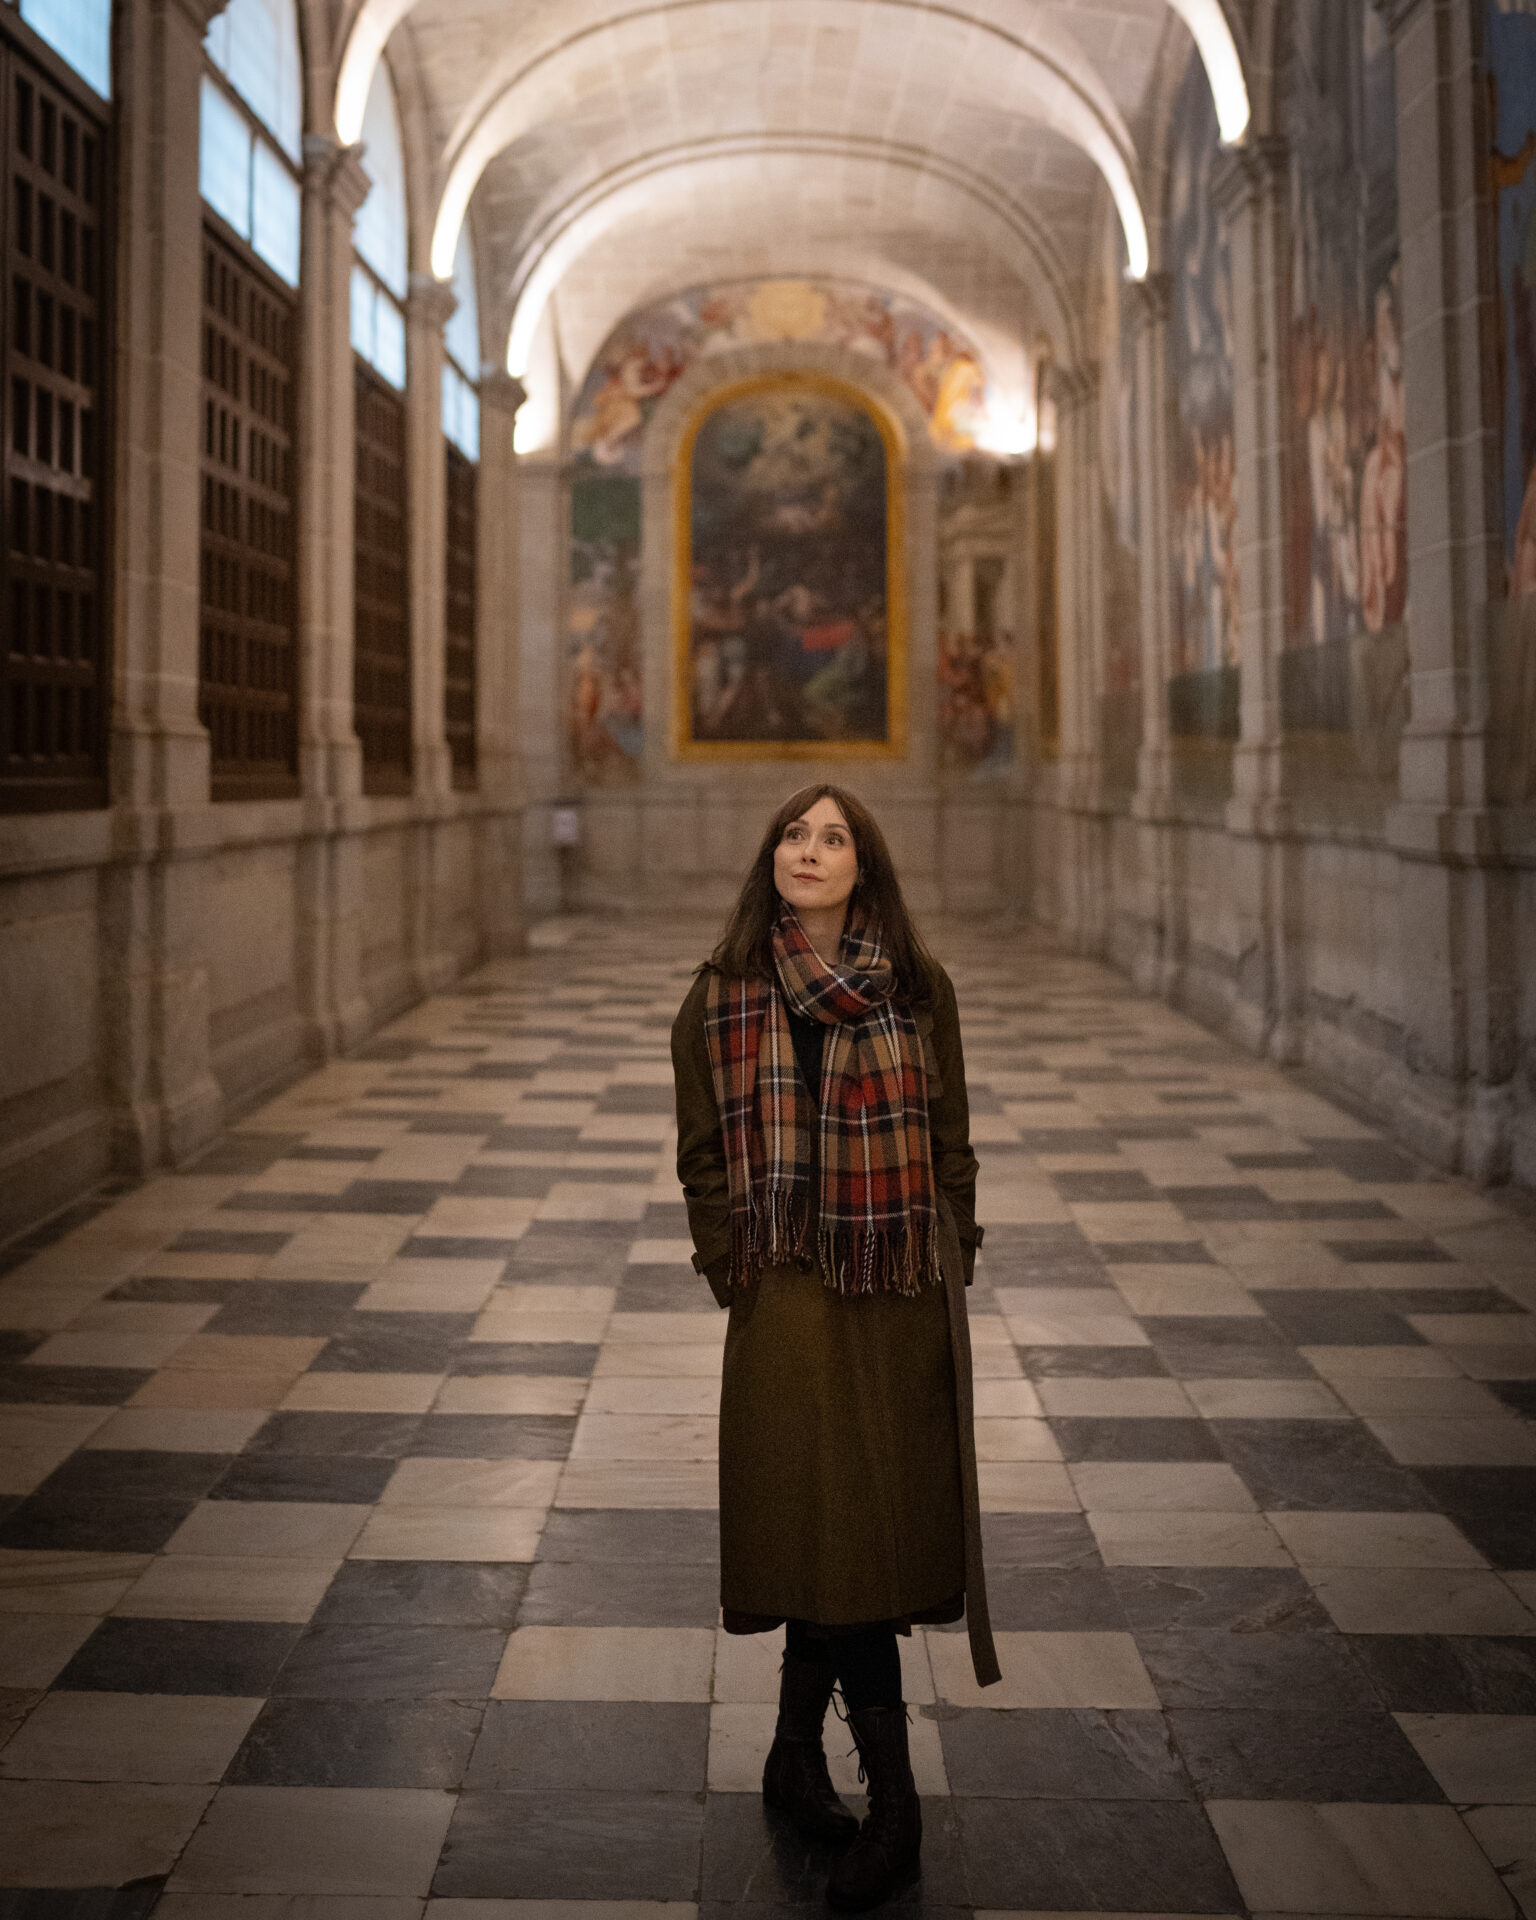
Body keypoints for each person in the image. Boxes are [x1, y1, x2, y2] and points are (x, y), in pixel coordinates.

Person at [671, 784, 998, 1912]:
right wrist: (735, 1269)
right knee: (822, 1530)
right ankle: (879, 1796)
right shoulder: (721, 997)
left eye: (833, 836)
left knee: (858, 1538)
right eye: (792, 835)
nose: (808, 852)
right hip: (786, 1304)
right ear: (769, 857)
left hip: (893, 1292)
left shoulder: (917, 990)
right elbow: (702, 1157)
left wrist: (952, 1252)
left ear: (866, 866)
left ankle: (807, 1759)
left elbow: (954, 1144)